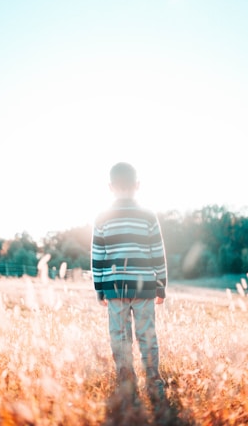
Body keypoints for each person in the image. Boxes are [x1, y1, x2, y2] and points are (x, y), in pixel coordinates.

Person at [91, 162, 167, 402]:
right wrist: (161, 285)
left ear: (110, 187)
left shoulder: (102, 217)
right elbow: (158, 252)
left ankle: (126, 383)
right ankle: (154, 382)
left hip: (114, 288)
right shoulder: (148, 215)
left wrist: (100, 289)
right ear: (137, 185)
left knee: (120, 336)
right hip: (144, 287)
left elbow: (98, 256)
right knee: (147, 335)